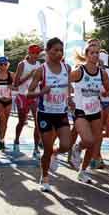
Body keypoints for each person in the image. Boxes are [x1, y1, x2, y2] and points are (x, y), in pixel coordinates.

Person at [27, 38, 73, 192]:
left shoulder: (67, 68)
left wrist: (71, 99)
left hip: (61, 113)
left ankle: (55, 153)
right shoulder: (41, 70)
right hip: (45, 114)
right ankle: (45, 177)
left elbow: (68, 87)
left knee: (66, 145)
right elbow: (29, 93)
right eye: (55, 50)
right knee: (46, 148)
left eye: (61, 50)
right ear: (47, 51)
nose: (59, 53)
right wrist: (42, 92)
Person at [69, 43, 109, 183]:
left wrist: (107, 92)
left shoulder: (102, 73)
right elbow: (65, 81)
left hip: (95, 111)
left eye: (97, 53)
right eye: (92, 52)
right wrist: (69, 97)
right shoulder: (79, 71)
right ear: (86, 55)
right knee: (88, 140)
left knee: (93, 144)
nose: (95, 55)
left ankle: (83, 171)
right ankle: (77, 147)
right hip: (81, 110)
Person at [14, 44, 42, 156]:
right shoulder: (22, 64)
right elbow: (16, 83)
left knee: (38, 122)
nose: (35, 55)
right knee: (21, 121)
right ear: (29, 53)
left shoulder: (40, 64)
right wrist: (30, 75)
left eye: (37, 53)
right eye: (33, 53)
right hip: (23, 96)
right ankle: (16, 140)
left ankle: (36, 148)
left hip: (34, 96)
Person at [0, 56, 14, 151]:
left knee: (5, 122)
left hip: (8, 100)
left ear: (8, 65)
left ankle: (2, 140)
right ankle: (1, 140)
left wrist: (11, 87)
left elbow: (17, 87)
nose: (3, 66)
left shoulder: (11, 75)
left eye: (5, 64)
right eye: (1, 64)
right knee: (2, 119)